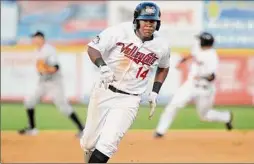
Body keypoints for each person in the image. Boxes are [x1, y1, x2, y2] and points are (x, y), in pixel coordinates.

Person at [80, 2, 171, 163]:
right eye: (145, 20)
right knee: (88, 143)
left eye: (153, 21)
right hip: (104, 90)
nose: (149, 25)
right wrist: (103, 66)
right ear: (136, 21)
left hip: (130, 99)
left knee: (108, 143)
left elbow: (164, 67)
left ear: (158, 24)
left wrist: (155, 91)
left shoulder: (161, 45)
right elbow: (93, 48)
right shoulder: (119, 31)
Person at [154, 32, 233, 138]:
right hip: (190, 85)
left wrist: (202, 77)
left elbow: (212, 77)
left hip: (205, 89)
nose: (198, 41)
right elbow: (192, 54)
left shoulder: (212, 57)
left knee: (204, 116)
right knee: (173, 105)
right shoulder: (197, 48)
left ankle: (226, 117)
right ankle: (160, 131)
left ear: (205, 42)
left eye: (200, 40)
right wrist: (182, 60)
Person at [18, 31, 84, 137]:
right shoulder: (37, 50)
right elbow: (40, 68)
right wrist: (42, 69)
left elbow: (56, 67)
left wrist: (45, 68)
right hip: (43, 82)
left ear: (41, 38)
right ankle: (32, 128)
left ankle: (82, 129)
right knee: (29, 102)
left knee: (63, 107)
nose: (33, 40)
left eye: (35, 38)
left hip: (55, 83)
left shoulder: (49, 50)